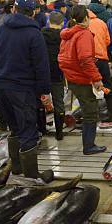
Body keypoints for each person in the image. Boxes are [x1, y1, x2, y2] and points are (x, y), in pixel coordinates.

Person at [0, 0, 53, 182]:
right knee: (28, 131)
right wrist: (44, 92)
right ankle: (32, 175)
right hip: (22, 88)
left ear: (14, 9)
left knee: (14, 128)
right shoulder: (34, 34)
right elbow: (41, 67)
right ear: (33, 12)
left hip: (2, 87)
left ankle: (17, 169)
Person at [58, 5, 106, 155]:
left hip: (72, 77)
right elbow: (85, 60)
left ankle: (88, 143)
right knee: (90, 112)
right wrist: (96, 78)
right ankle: (89, 146)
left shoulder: (68, 34)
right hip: (82, 78)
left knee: (87, 110)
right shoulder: (83, 34)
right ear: (86, 18)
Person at [87, 8, 112, 127]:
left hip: (88, 62)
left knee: (88, 90)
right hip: (102, 60)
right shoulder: (101, 22)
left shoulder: (78, 25)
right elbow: (107, 41)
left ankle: (91, 118)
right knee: (107, 88)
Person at [41, 12, 66, 141]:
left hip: (42, 73)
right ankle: (59, 133)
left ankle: (42, 129)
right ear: (62, 23)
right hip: (58, 73)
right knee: (59, 102)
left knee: (40, 101)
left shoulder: (40, 35)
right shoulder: (64, 37)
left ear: (48, 21)